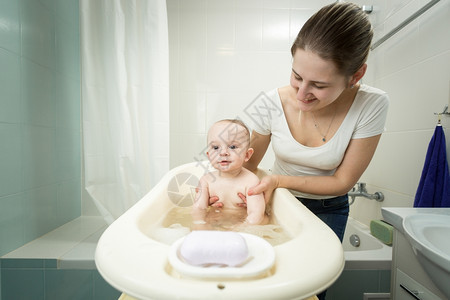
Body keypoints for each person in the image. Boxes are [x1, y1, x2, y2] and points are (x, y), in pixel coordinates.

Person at [243, 3, 389, 298]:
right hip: (276, 202)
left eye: (318, 85)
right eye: (296, 76)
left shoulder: (373, 104)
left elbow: (342, 182)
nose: (300, 94)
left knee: (310, 291)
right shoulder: (270, 101)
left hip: (329, 210)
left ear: (356, 75)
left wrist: (278, 179)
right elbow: (245, 167)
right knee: (266, 284)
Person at [193, 119, 268, 226]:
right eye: (216, 147)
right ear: (209, 156)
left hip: (242, 225)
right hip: (214, 224)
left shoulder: (251, 181)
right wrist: (200, 226)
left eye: (232, 147)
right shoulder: (206, 180)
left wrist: (241, 229)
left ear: (247, 155)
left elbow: (256, 214)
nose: (223, 152)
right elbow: (198, 209)